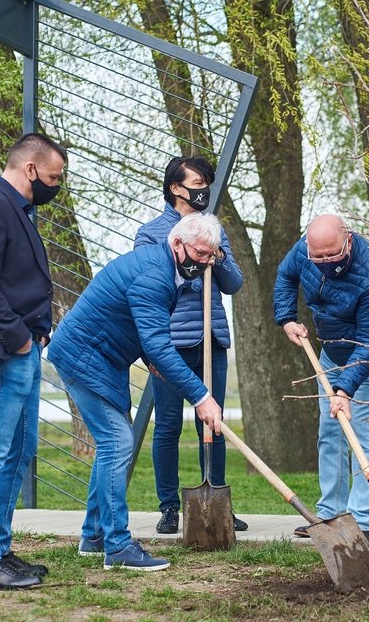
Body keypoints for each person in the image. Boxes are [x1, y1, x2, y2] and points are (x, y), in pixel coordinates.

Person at [47, 213, 224, 571]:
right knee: (118, 443)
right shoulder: (154, 275)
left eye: (211, 256)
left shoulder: (164, 267)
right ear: (177, 243)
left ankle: (94, 536)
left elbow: (141, 327)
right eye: (201, 253)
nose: (205, 262)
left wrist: (150, 356)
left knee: (111, 445)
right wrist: (202, 397)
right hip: (86, 357)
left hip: (98, 356)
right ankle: (117, 546)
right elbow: (159, 344)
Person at [0, 132, 66, 589]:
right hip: (4, 354)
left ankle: (0, 549)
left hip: (24, 352)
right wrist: (20, 338)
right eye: (54, 177)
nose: (56, 185)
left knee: (19, 453)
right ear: (30, 170)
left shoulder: (18, 208)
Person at [134, 156, 247, 535]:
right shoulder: (151, 233)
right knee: (167, 426)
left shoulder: (213, 229)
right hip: (169, 343)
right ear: (175, 188)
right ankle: (169, 507)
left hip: (210, 339)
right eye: (197, 182)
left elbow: (233, 284)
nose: (203, 189)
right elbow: (147, 285)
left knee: (211, 422)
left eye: (206, 183)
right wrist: (149, 348)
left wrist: (219, 257)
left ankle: (217, 502)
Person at [273, 214, 369, 542]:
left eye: (332, 255)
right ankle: (330, 513)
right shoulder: (304, 250)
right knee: (330, 435)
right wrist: (287, 318)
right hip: (330, 354)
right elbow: (286, 275)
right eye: (319, 257)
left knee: (363, 436)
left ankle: (362, 521)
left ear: (348, 239)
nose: (325, 263)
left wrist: (345, 389)